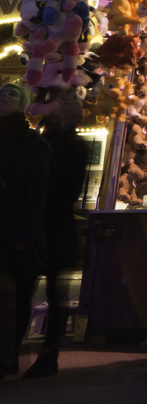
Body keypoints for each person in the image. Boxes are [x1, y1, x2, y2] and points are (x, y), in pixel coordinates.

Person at [17, 90, 87, 379]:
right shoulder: (47, 141)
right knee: (30, 289)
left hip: (52, 226)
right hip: (49, 225)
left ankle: (47, 352)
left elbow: (66, 188)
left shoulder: (64, 144)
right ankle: (28, 350)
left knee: (43, 290)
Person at [0, 82, 49, 379]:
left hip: (14, 232)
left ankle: (8, 356)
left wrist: (24, 237)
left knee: (13, 300)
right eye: (1, 92)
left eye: (13, 93)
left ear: (23, 103)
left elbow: (36, 193)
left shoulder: (32, 143)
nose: (5, 96)